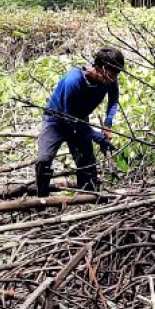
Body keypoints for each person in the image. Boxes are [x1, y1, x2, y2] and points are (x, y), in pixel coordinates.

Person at [35, 47, 124, 197]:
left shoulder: (110, 80)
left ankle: (88, 199)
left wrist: (107, 125)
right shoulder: (74, 80)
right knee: (44, 160)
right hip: (56, 120)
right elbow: (69, 118)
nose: (113, 79)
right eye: (111, 74)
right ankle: (42, 198)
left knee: (87, 165)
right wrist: (96, 136)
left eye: (116, 75)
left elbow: (113, 101)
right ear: (100, 68)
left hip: (80, 120)